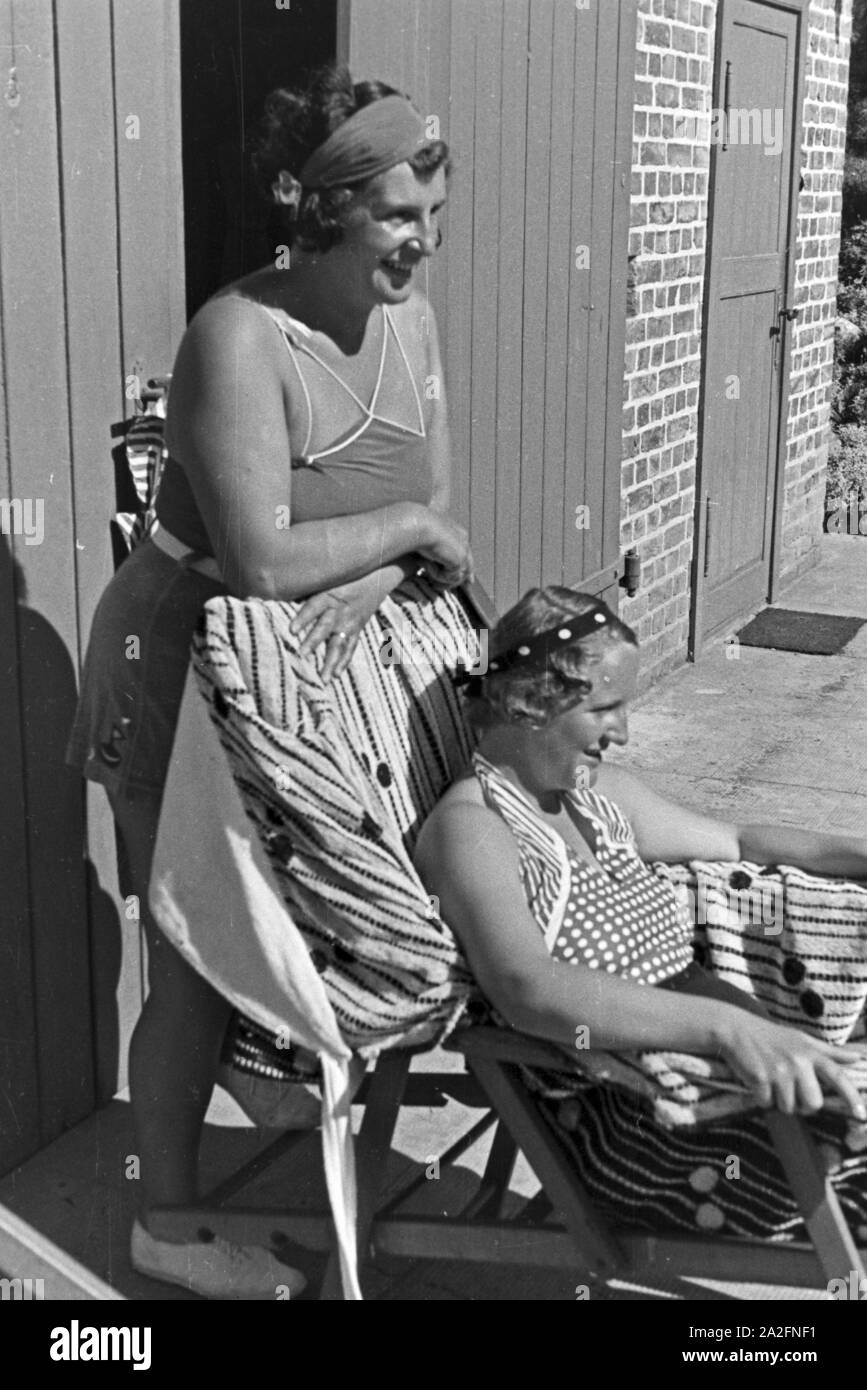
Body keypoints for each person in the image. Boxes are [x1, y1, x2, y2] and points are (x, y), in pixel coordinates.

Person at [66, 64, 472, 1298]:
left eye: (433, 217)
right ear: (334, 207)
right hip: (184, 667)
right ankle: (169, 1223)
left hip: (326, 670)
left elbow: (428, 501)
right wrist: (400, 535)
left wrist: (385, 563)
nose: (423, 242)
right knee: (192, 937)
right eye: (401, 215)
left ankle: (292, 1112)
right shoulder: (238, 338)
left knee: (372, 903)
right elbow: (259, 554)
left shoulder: (411, 321)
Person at [414, 586, 867, 1239]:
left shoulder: (599, 800)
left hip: (732, 1070)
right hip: (646, 1120)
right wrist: (728, 1031)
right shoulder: (474, 829)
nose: (622, 733)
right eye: (604, 708)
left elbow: (739, 842)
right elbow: (526, 989)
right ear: (527, 701)